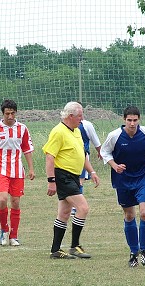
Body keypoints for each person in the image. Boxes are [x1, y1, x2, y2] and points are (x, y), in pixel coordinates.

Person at [100, 105, 145, 267]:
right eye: (129, 120)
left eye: (135, 120)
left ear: (139, 120)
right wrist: (114, 165)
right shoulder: (115, 136)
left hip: (143, 176)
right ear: (124, 120)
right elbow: (104, 152)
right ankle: (133, 252)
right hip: (123, 178)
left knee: (144, 213)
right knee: (129, 216)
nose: (132, 123)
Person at [43, 101, 100, 259]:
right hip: (63, 176)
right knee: (83, 208)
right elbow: (49, 156)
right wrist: (51, 181)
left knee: (64, 213)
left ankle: (55, 250)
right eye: (80, 116)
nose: (82, 119)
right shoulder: (58, 131)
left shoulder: (76, 131)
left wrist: (92, 171)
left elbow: (82, 155)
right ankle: (75, 246)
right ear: (70, 116)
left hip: (74, 176)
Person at [0, 99, 35, 246]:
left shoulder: (22, 128)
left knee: (16, 202)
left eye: (12, 113)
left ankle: (14, 236)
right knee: (3, 199)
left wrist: (31, 168)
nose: (10, 116)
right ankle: (4, 230)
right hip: (0, 169)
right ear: (3, 114)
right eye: (7, 114)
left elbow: (27, 149)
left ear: (16, 113)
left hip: (17, 170)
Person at [71, 116, 102, 216]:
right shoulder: (66, 125)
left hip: (82, 156)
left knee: (79, 180)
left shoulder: (86, 125)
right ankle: (74, 206)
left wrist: (100, 152)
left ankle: (75, 206)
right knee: (76, 180)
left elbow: (95, 140)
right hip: (72, 156)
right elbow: (95, 140)